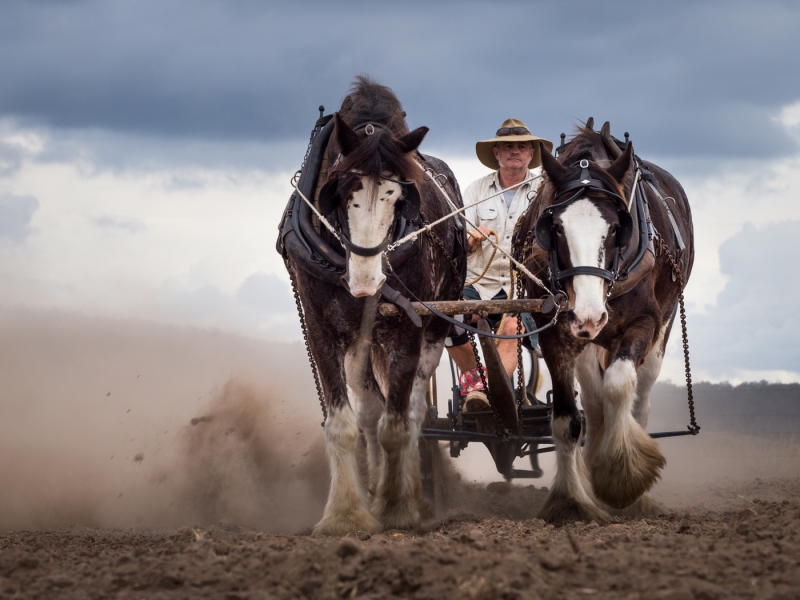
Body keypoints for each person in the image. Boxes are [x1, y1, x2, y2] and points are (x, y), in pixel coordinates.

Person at [446, 119, 553, 412]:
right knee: (446, 322)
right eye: (508, 146)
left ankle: (487, 394)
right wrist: (470, 241)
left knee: (511, 328)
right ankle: (476, 386)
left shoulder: (545, 192)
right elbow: (456, 241)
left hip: (523, 289)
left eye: (522, 147)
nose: (514, 152)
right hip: (475, 286)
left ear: (531, 153)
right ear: (497, 153)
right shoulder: (475, 191)